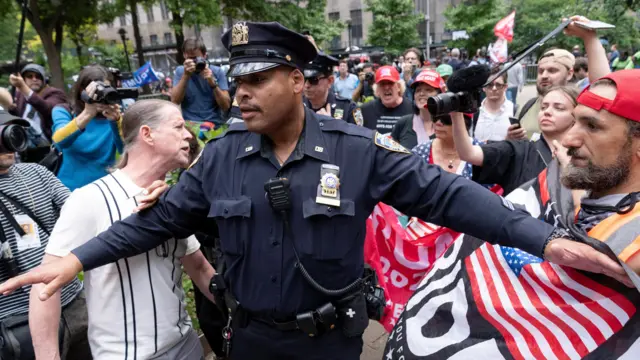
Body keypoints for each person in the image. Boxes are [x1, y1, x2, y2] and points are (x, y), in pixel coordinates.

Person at [0, 21, 632, 360]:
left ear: (298, 81)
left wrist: (544, 241)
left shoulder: (355, 152)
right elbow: (157, 222)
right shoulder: (219, 158)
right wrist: (74, 258)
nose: (240, 92)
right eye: (235, 80)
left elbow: (451, 198)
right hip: (249, 339)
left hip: (326, 341)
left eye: (258, 79)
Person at [33, 99, 215, 359]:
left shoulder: (173, 199)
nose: (189, 135)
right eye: (178, 127)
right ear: (147, 134)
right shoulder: (90, 199)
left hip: (186, 346)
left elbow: (199, 268)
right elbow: (45, 285)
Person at [0, 111, 91, 359]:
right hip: (15, 323)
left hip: (73, 303)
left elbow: (82, 213)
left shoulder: (37, 173)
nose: (7, 140)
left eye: (10, 131)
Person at [454, 86, 579, 195]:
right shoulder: (518, 151)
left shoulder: (587, 155)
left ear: (576, 116)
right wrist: (456, 112)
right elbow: (468, 153)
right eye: (543, 107)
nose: (547, 112)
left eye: (559, 108)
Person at [51, 65, 124, 191]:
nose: (99, 95)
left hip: (104, 190)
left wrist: (116, 121)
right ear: (81, 91)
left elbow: (126, 151)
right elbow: (59, 141)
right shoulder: (64, 111)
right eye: (94, 90)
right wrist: (88, 113)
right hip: (68, 190)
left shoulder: (114, 116)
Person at [7, 64, 69, 163]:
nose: (34, 79)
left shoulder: (56, 94)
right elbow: (16, 117)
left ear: (44, 79)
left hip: (49, 151)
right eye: (30, 76)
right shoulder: (20, 95)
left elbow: (46, 109)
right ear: (24, 79)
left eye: (38, 76)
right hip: (25, 151)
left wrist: (22, 87)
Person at [171, 38, 231, 126]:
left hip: (214, 125)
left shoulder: (217, 72)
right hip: (191, 126)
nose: (194, 62)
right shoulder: (180, 71)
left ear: (204, 55)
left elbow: (226, 106)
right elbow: (175, 101)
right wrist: (186, 75)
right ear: (184, 55)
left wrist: (213, 83)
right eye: (190, 59)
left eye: (196, 58)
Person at [518, 49, 575, 140]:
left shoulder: (579, 109)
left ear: (569, 74)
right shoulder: (528, 106)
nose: (544, 76)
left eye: (552, 71)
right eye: (540, 71)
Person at [391, 69, 446, 149]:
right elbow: (392, 156)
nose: (421, 94)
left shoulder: (448, 126)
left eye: (428, 90)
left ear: (440, 94)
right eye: (418, 90)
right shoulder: (402, 123)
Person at [303, 52, 361, 125]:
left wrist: (330, 125)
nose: (306, 85)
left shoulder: (349, 108)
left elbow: (357, 134)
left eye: (313, 80)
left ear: (330, 81)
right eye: (304, 79)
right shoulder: (296, 106)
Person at [361, 65, 413, 133]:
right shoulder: (365, 110)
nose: (386, 87)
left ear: (399, 87)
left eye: (390, 83)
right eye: (382, 84)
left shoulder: (413, 109)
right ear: (377, 89)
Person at [473, 68, 517, 142]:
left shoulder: (514, 110)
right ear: (484, 87)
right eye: (489, 85)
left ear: (505, 87)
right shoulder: (475, 112)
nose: (494, 88)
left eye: (498, 85)